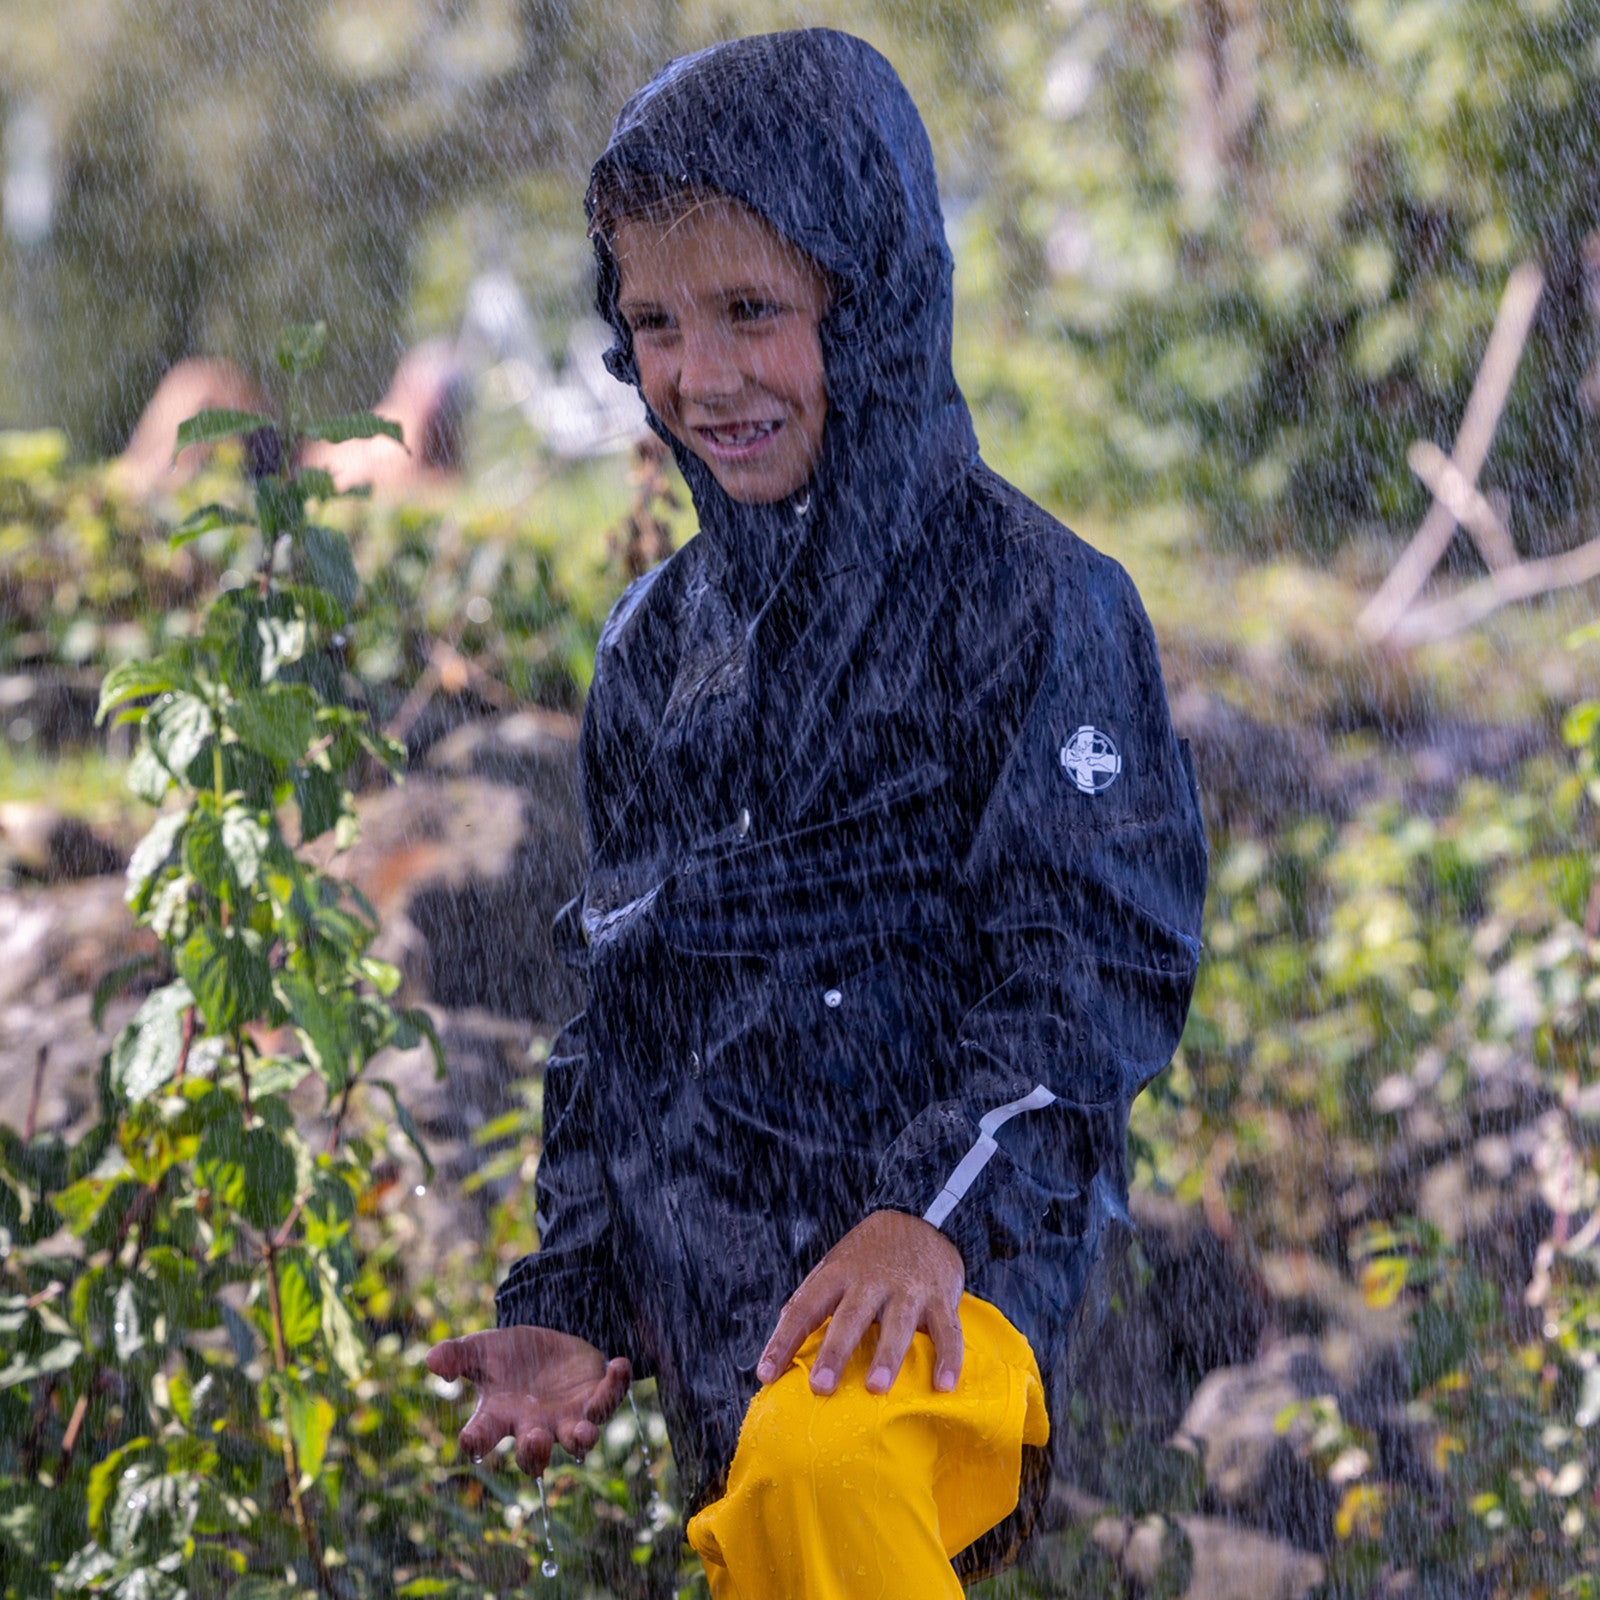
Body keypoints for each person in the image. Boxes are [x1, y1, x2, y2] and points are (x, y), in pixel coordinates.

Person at [426, 27, 1207, 1597]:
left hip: (966, 1273)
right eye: (654, 322)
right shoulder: (657, 650)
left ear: (877, 305)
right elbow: (624, 1007)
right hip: (739, 1311)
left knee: (825, 1462)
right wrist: (577, 1290)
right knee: (785, 1500)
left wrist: (924, 1220)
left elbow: (1092, 972)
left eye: (752, 312)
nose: (703, 376)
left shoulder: (1036, 603)